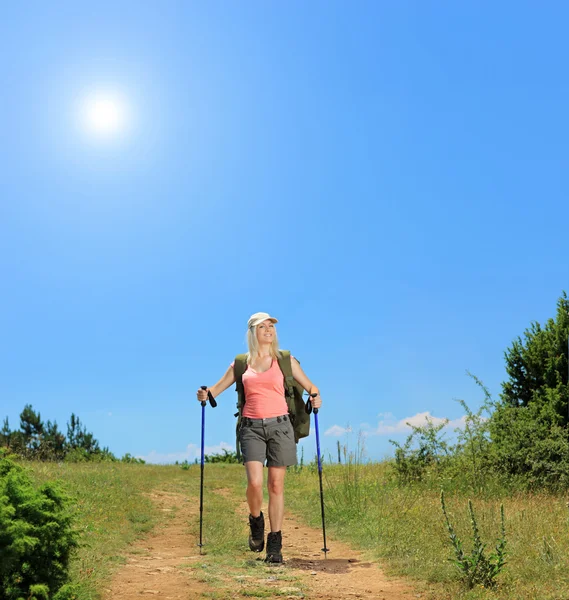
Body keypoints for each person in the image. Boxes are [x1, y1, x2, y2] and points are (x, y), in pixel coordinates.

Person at [196, 311, 322, 563]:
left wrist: (315, 396)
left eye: (271, 326)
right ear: (252, 332)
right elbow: (216, 390)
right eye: (262, 327)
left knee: (276, 485)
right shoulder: (241, 363)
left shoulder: (285, 360)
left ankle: (275, 544)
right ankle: (256, 521)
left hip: (281, 427)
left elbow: (311, 387)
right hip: (251, 427)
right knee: (255, 483)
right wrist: (204, 393)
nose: (268, 330)